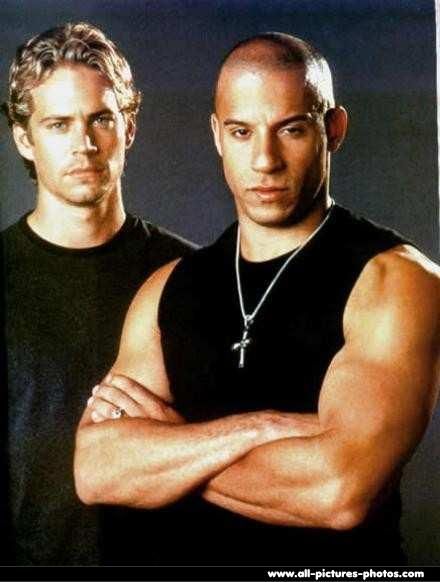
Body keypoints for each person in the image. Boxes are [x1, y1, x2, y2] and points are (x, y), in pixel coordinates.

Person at [75, 33, 439, 565]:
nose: (265, 160)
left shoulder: (396, 282)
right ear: (217, 135)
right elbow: (97, 468)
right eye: (242, 132)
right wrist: (262, 426)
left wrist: (170, 443)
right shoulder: (167, 288)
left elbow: (339, 490)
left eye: (291, 129)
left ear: (333, 130)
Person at [1, 22, 194, 566]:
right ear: (24, 138)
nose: (83, 144)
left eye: (100, 119)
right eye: (58, 124)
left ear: (128, 127)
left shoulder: (191, 277)